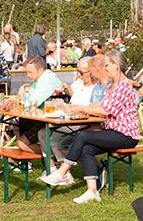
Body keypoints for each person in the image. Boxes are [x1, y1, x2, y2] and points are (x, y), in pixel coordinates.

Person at [40, 51, 141, 203]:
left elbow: (106, 111)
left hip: (125, 135)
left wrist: (81, 108)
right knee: (86, 148)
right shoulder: (111, 86)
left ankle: (62, 171)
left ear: (116, 65)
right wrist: (77, 108)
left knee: (83, 136)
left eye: (107, 65)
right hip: (112, 132)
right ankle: (92, 191)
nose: (105, 68)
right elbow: (100, 106)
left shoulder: (124, 86)